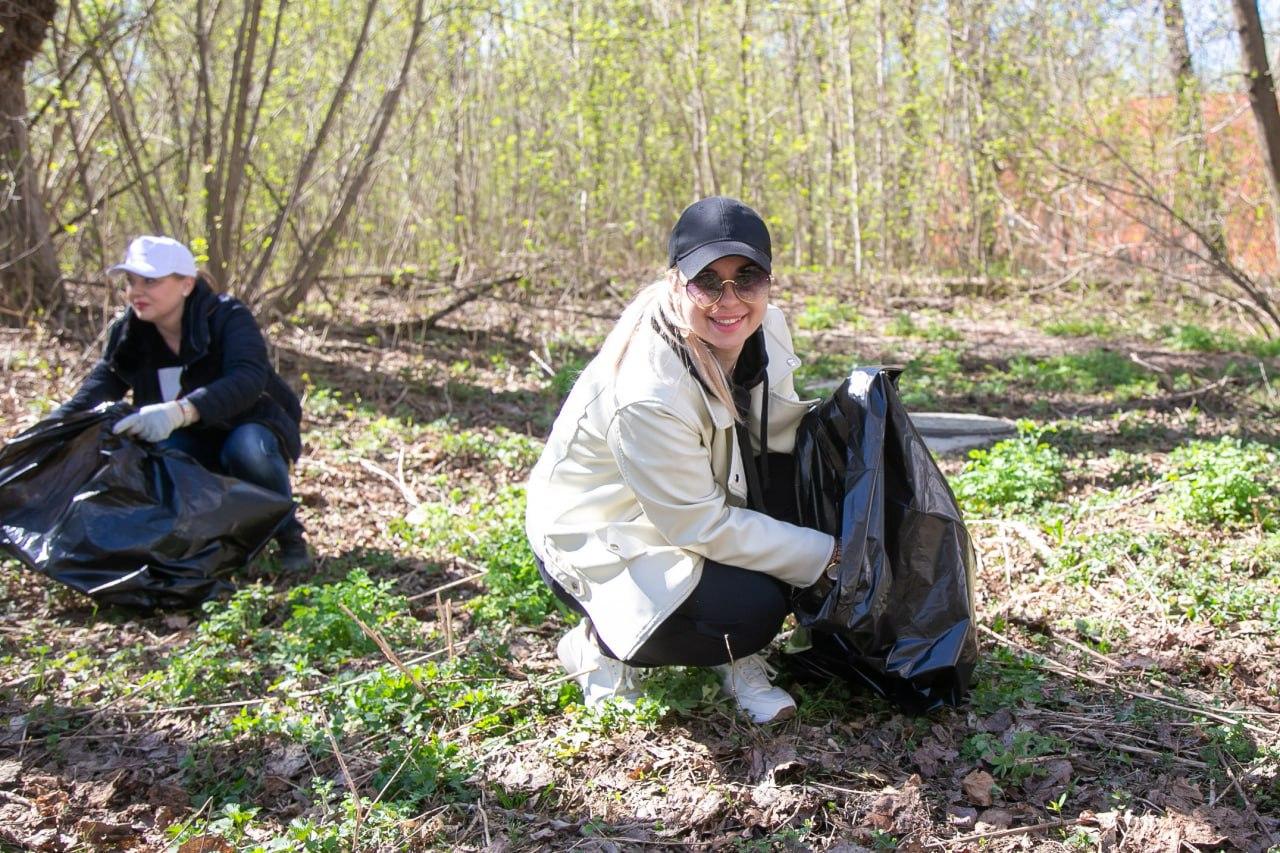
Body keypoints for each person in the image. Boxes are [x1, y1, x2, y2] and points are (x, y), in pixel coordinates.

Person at [525, 197, 841, 724]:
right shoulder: (648, 390)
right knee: (751, 608)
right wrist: (825, 553)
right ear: (677, 282)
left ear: (769, 281)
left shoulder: (761, 328)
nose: (730, 300)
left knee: (806, 509)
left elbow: (776, 443)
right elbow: (699, 524)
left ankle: (734, 659)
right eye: (707, 281)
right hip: (601, 536)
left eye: (748, 278)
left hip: (690, 505)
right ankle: (600, 649)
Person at [53, 235, 312, 572]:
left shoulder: (227, 317)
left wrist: (181, 411)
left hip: (249, 426)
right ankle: (211, 543)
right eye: (130, 282)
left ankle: (289, 537)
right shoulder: (131, 331)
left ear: (186, 284)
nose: (136, 292)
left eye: (150, 281)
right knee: (158, 452)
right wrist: (51, 429)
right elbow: (104, 384)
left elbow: (248, 378)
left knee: (247, 449)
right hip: (186, 437)